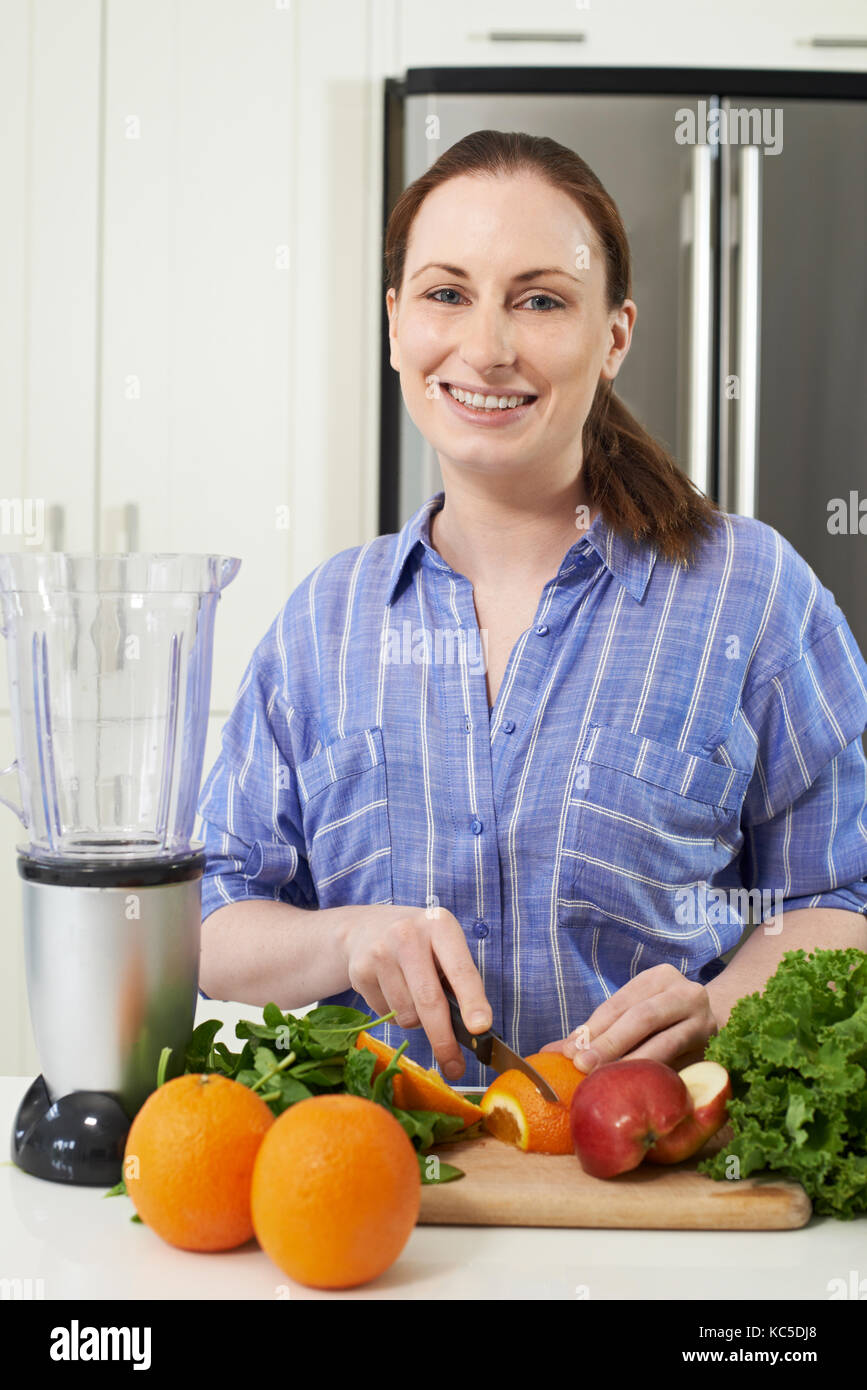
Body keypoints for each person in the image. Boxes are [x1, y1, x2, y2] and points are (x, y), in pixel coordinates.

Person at [195, 129, 867, 1090]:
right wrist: (347, 940)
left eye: (540, 300)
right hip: (384, 1201)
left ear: (614, 337)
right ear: (395, 325)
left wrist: (714, 1008)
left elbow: (840, 892)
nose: (487, 346)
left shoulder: (750, 596)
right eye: (445, 294)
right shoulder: (322, 625)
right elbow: (212, 912)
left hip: (653, 1189)